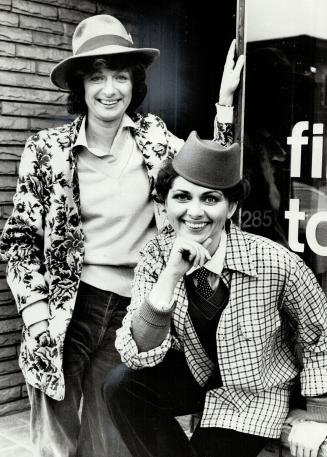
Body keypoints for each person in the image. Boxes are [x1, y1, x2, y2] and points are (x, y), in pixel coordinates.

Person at [0, 13, 244, 457]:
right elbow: (18, 240)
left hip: (129, 309)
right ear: (80, 86)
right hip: (62, 309)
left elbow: (211, 176)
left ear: (134, 83)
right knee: (55, 439)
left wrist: (224, 105)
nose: (110, 89)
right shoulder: (46, 150)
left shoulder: (155, 142)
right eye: (97, 76)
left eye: (121, 76)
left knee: (109, 437)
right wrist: (36, 315)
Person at [103, 131, 327, 457]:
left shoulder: (276, 262)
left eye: (210, 198)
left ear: (232, 206)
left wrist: (318, 415)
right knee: (121, 386)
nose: (195, 211)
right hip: (197, 373)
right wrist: (171, 274)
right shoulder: (156, 256)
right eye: (182, 197)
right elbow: (137, 351)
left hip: (255, 390)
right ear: (164, 204)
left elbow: (319, 335)